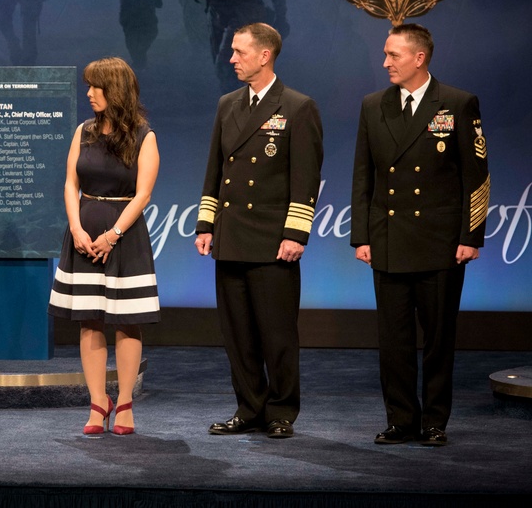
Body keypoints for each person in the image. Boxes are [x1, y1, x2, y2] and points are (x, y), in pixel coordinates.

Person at [351, 23, 490, 447]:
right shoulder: (373, 105)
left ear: (419, 58)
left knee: (437, 339)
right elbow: (363, 177)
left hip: (440, 242)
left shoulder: (457, 103)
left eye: (393, 55)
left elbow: (476, 176)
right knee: (392, 341)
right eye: (386, 54)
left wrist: (471, 236)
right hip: (389, 239)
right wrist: (362, 236)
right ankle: (401, 420)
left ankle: (434, 421)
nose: (385, 62)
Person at [194, 22, 322, 439]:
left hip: (272, 241)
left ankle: (281, 411)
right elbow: (215, 169)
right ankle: (249, 407)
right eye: (232, 51)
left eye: (239, 52)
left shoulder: (298, 107)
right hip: (231, 237)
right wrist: (206, 223)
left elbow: (305, 179)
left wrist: (295, 234)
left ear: (264, 55)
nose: (231, 58)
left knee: (277, 335)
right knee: (238, 335)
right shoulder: (226, 104)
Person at [48, 57, 160, 436]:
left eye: (97, 87)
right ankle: (98, 403)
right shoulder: (83, 131)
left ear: (116, 90)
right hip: (83, 238)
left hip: (124, 239)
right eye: (89, 86)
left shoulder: (145, 135)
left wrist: (112, 235)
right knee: (90, 320)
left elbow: (143, 193)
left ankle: (125, 402)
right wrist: (77, 229)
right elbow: (69, 184)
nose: (89, 93)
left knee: (127, 322)